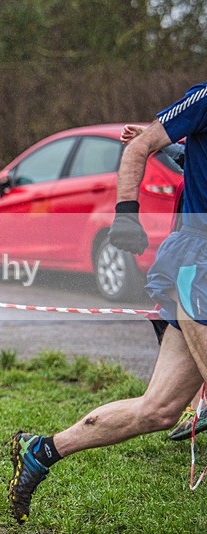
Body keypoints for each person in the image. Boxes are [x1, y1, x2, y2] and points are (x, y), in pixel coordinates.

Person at [8, 85, 207, 524]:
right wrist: (126, 212)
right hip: (197, 261)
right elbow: (140, 146)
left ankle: (41, 450)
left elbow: (181, 151)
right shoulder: (204, 97)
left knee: (159, 409)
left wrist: (174, 143)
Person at [121, 124, 207, 441]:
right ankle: (195, 410)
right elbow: (187, 155)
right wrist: (155, 138)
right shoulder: (193, 179)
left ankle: (195, 409)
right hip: (187, 265)